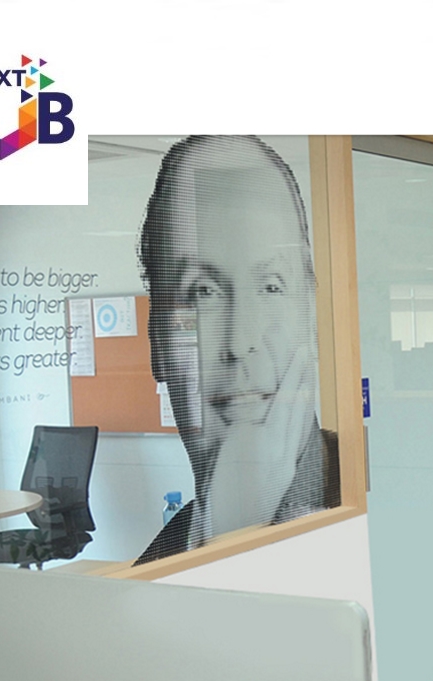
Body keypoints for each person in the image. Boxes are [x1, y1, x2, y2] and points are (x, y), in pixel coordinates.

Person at [134, 136, 339, 564]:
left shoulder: (379, 508)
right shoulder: (163, 556)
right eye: (202, 292)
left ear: (314, 320)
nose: (240, 341)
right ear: (157, 343)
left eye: (271, 286)